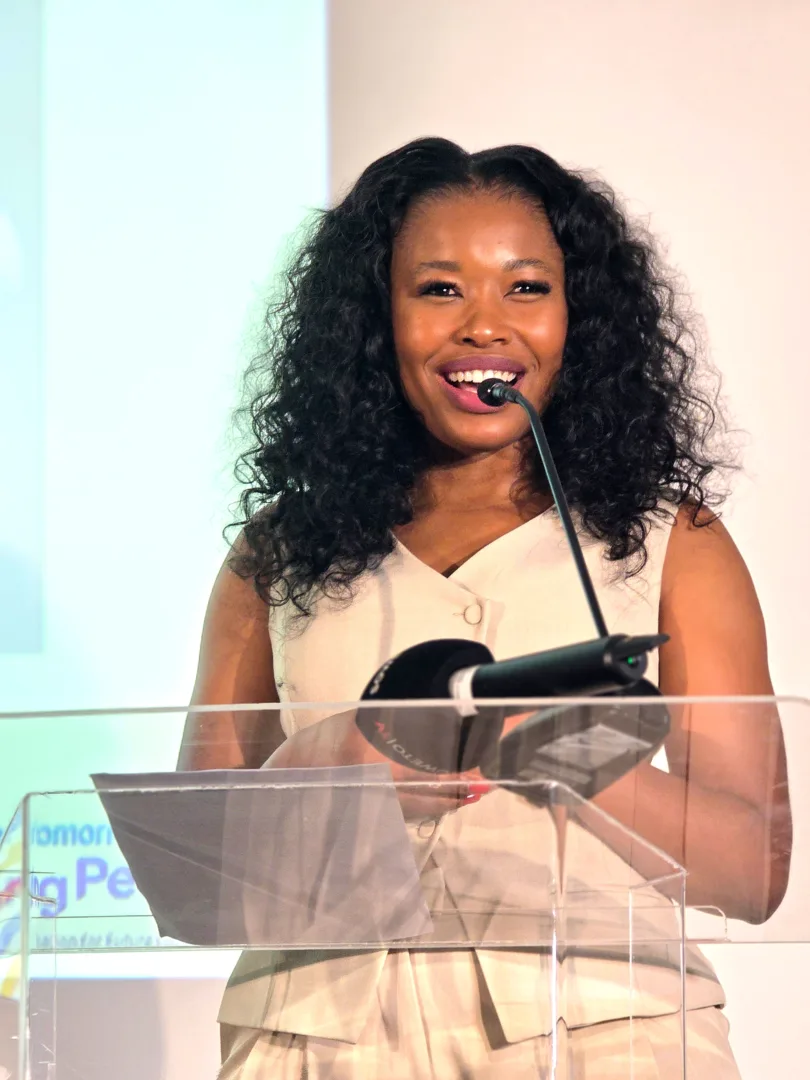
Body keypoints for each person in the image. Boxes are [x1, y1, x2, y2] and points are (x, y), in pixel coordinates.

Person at [179, 138, 791, 1078]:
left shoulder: (672, 542)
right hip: (320, 1045)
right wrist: (337, 758)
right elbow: (194, 872)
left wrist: (552, 746)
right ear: (376, 319)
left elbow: (751, 874)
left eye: (526, 288)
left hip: (602, 1036)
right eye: (439, 289)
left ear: (578, 317)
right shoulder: (279, 552)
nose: (484, 327)